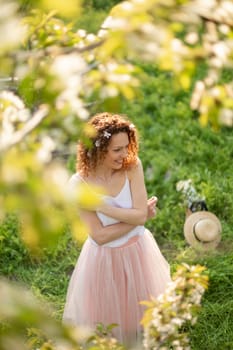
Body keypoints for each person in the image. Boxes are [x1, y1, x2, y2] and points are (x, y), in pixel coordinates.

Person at [63, 112, 171, 345]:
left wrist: (104, 207)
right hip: (103, 260)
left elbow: (141, 215)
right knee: (106, 325)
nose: (125, 154)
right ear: (99, 150)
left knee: (140, 316)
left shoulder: (133, 166)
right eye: (117, 150)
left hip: (138, 251)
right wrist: (137, 219)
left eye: (126, 146)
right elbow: (100, 236)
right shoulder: (79, 184)